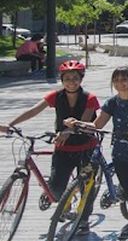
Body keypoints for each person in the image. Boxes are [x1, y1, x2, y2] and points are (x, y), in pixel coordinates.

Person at [64, 66, 128, 241]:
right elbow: (97, 124)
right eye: (116, 80)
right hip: (120, 152)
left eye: (124, 79)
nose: (120, 84)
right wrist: (77, 123)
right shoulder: (112, 103)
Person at [1, 59, 100, 231]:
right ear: (62, 80)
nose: (71, 82)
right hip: (63, 149)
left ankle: (83, 219)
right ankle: (64, 203)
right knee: (55, 188)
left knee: (86, 187)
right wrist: (10, 124)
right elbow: (33, 110)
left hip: (86, 148)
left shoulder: (89, 98)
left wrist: (67, 132)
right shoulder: (56, 96)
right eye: (67, 78)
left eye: (75, 78)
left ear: (81, 79)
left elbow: (84, 122)